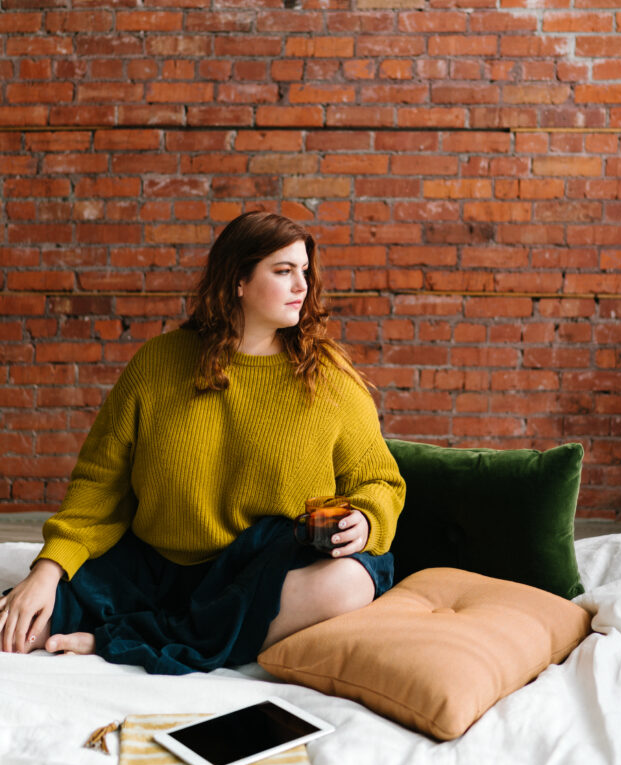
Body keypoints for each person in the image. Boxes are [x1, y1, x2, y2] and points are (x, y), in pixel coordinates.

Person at [0, 211, 406, 673]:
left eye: (305, 272)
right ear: (238, 280)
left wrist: (366, 519)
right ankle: (170, 631)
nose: (302, 286)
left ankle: (123, 638)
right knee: (16, 628)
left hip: (257, 572)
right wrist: (46, 571)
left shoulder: (328, 377)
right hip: (154, 570)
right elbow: (99, 485)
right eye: (283, 271)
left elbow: (380, 481)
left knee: (350, 581)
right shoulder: (158, 364)